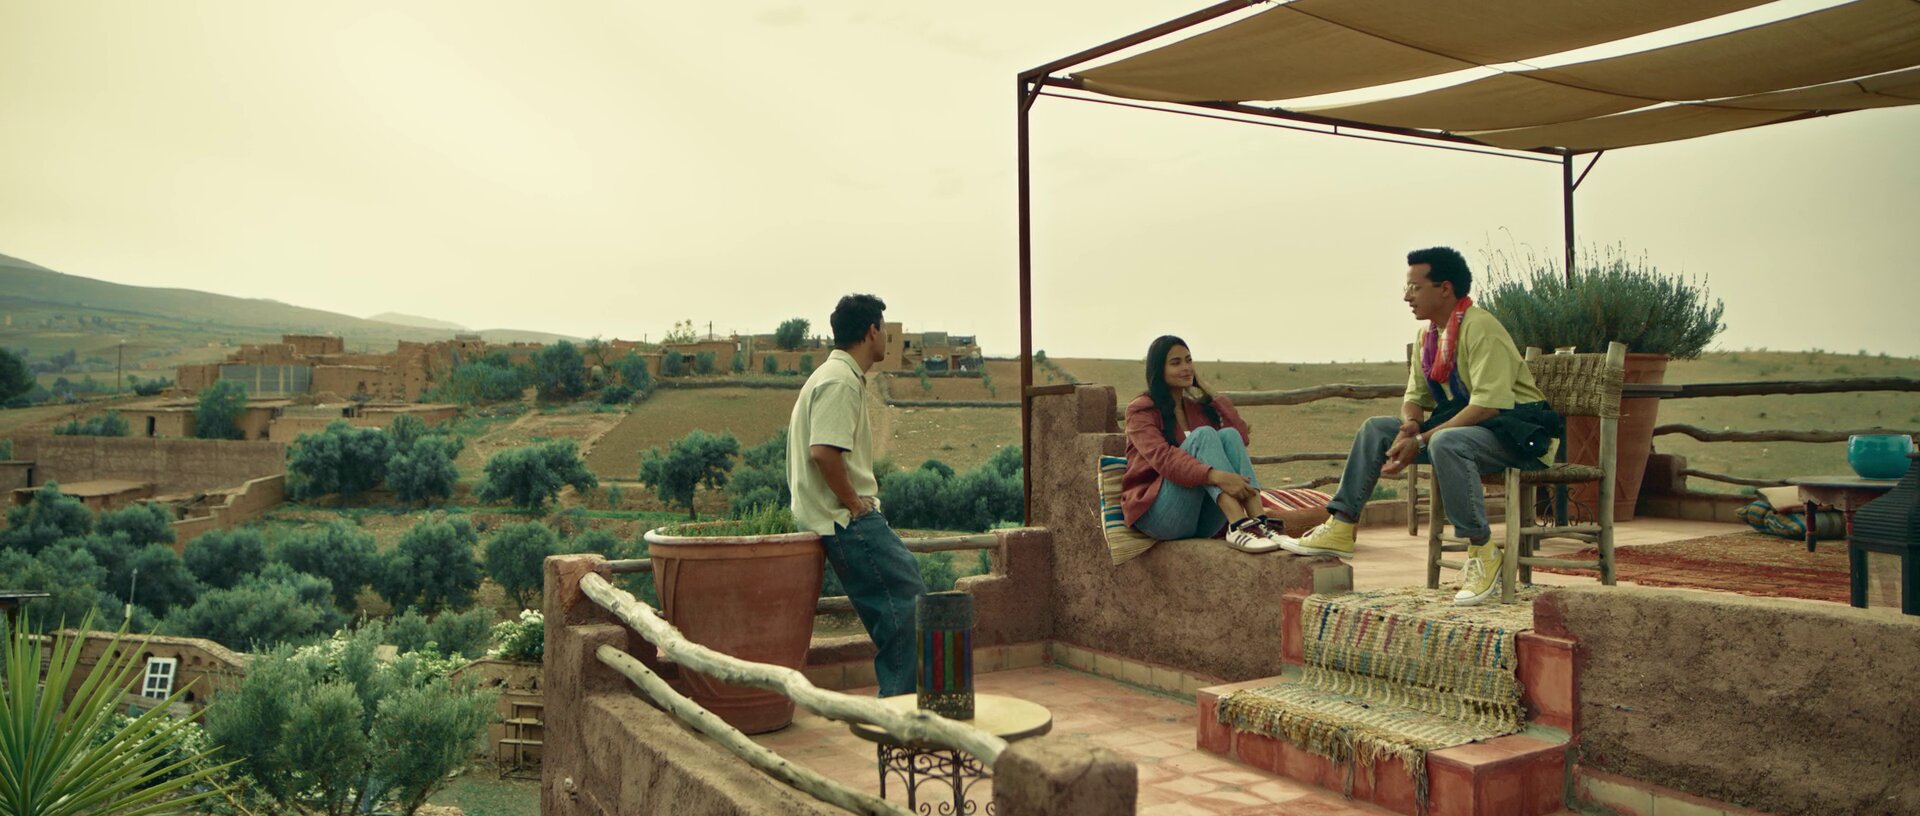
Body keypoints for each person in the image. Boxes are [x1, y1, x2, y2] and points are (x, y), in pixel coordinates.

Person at [1285, 247, 1562, 606]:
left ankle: (1483, 550)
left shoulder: (1481, 328)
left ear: (1444, 288)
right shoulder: (1427, 338)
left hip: (1517, 436)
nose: (1406, 296)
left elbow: (1487, 406)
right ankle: (1341, 525)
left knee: (1447, 442)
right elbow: (1414, 396)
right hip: (1465, 430)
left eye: (1415, 287)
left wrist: (1422, 440)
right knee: (1376, 429)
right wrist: (1409, 426)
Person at [787, 293, 927, 696]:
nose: (885, 337)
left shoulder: (832, 375)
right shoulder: (840, 381)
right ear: (871, 331)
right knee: (909, 607)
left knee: (898, 610)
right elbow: (824, 453)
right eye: (883, 329)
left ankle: (898, 709)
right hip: (846, 520)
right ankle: (898, 712)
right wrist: (855, 504)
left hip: (838, 518)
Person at [1120, 335, 1294, 553]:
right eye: (1176, 363)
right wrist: (1216, 476)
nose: (1186, 368)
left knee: (1228, 435)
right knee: (1204, 435)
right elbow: (1164, 459)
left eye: (1188, 360)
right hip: (1158, 516)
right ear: (1158, 370)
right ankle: (1238, 525)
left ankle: (1260, 522)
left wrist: (1209, 391)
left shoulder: (1196, 409)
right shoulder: (1141, 410)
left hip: (1200, 518)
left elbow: (1241, 438)